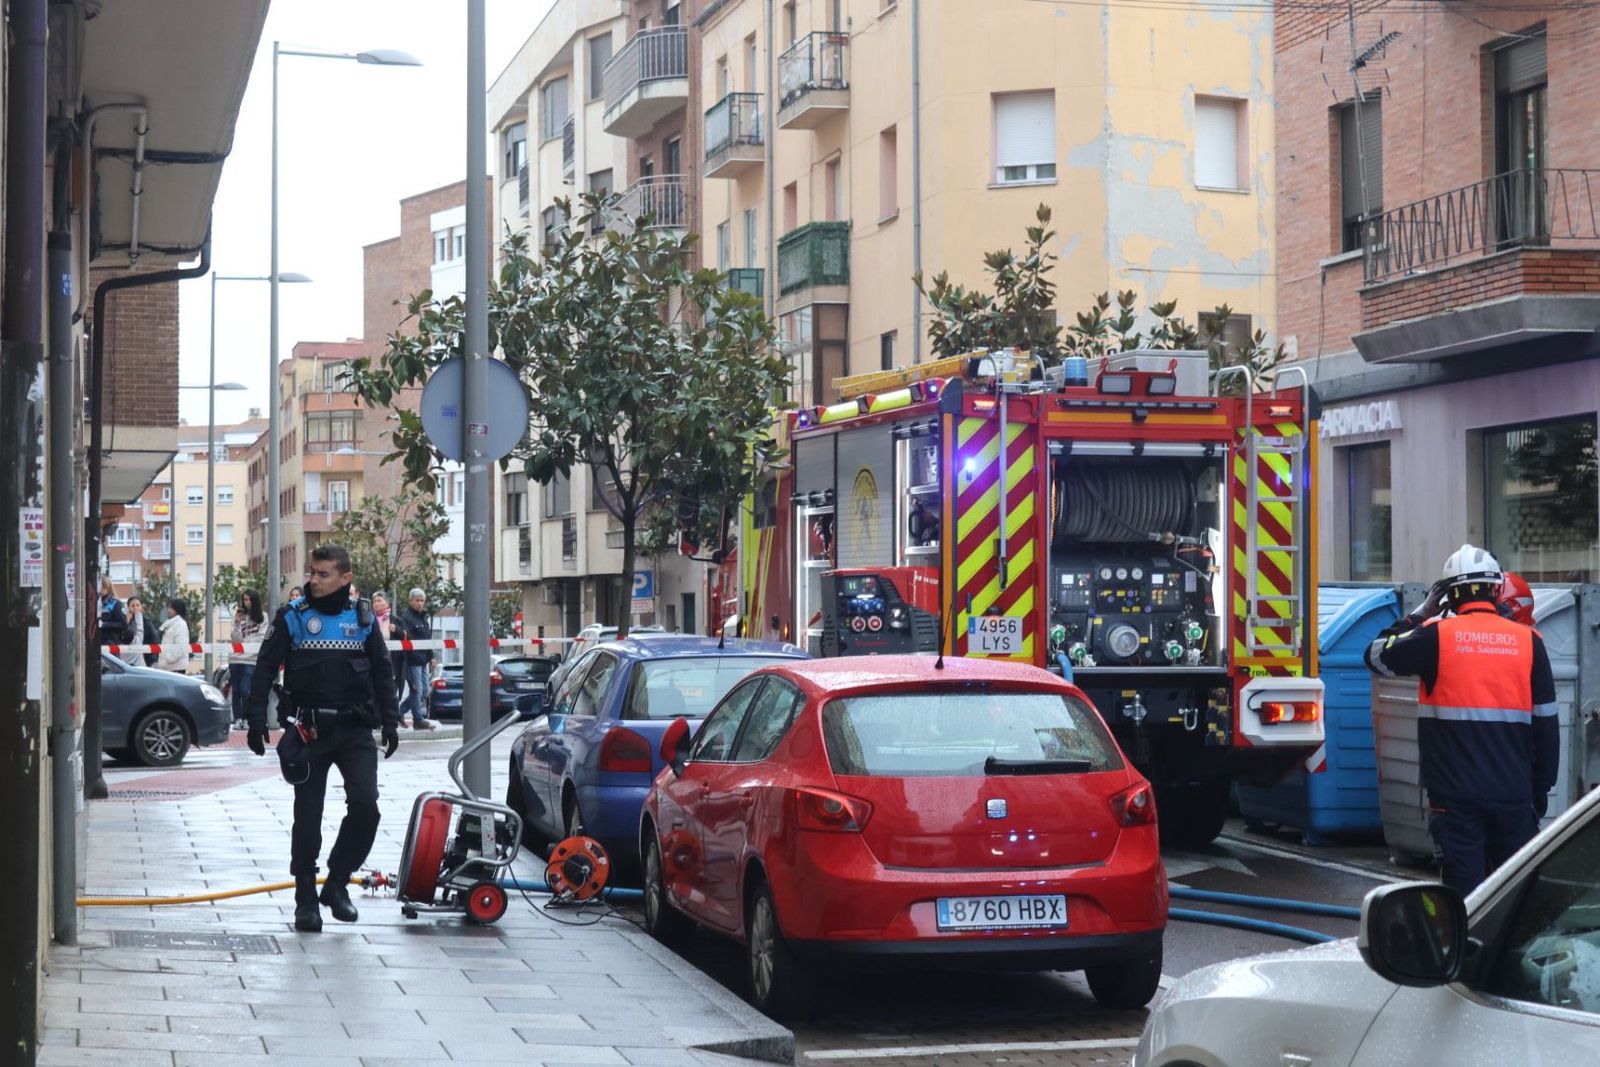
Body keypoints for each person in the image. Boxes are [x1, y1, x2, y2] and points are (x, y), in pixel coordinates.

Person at [1365, 544, 1558, 894]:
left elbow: (1376, 656)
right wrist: (1539, 791)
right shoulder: (1530, 642)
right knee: (1514, 898)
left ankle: (1465, 949)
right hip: (1514, 797)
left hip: (1454, 801)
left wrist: (1420, 613)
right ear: (1496, 588)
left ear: (1447, 595)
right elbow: (1547, 727)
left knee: (1464, 902)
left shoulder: (1434, 638)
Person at [244, 543, 400, 933]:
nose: (313, 580)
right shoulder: (294, 617)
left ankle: (336, 882)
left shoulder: (362, 619)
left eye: (323, 574)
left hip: (355, 729)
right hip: (308, 729)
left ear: (345, 579)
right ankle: (305, 901)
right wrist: (255, 718)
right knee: (308, 818)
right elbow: (264, 666)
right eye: (312, 572)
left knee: (367, 807)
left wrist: (392, 722)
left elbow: (382, 671)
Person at [397, 587, 437, 731]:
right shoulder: (406, 618)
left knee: (424, 691)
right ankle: (418, 720)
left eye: (422, 600)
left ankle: (399, 712)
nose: (420, 603)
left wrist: (431, 656)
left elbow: (427, 638)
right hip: (412, 661)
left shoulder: (423, 617)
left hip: (423, 660)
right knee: (417, 690)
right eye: (417, 600)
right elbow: (408, 639)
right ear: (410, 601)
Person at [229, 590, 267, 728]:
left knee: (246, 690)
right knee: (236, 691)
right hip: (235, 658)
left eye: (249, 600)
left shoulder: (263, 617)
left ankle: (246, 718)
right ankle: (238, 718)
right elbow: (235, 639)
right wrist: (237, 624)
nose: (246, 603)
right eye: (244, 599)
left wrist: (245, 642)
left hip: (250, 659)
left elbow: (261, 638)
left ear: (255, 601)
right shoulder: (240, 616)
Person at [156, 598, 192, 673]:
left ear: (177, 609)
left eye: (171, 608)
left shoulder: (181, 624)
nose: (168, 610)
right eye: (168, 607)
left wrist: (166, 660)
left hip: (176, 668)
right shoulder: (170, 624)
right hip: (169, 667)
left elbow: (180, 648)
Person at [123, 595, 159, 667]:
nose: (135, 608)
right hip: (129, 658)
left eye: (137, 605)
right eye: (132, 606)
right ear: (128, 607)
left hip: (147, 659)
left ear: (141, 607)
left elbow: (155, 639)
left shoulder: (146, 622)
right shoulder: (125, 621)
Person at [98, 576, 129, 648]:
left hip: (111, 643)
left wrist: (104, 624)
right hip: (96, 643)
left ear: (107, 588)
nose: (99, 589)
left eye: (101, 587)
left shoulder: (116, 603)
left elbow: (123, 624)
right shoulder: (94, 603)